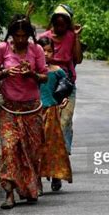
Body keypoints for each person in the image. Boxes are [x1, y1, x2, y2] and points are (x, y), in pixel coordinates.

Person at [0, 14, 48, 209]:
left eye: (24, 36)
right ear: (11, 35)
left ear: (29, 36)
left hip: (31, 109)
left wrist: (31, 74)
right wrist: (5, 73)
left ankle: (30, 189)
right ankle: (9, 193)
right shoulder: (2, 49)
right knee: (9, 148)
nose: (20, 40)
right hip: (9, 110)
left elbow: (44, 77)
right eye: (16, 36)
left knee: (31, 151)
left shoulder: (36, 50)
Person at [38, 4, 83, 190]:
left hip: (65, 86)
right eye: (57, 23)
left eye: (64, 24)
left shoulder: (71, 37)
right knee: (43, 131)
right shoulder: (43, 39)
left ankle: (58, 167)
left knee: (63, 123)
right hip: (45, 88)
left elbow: (78, 59)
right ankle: (47, 169)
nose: (60, 27)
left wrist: (77, 38)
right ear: (53, 23)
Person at [37, 37, 73, 192]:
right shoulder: (32, 71)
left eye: (49, 50)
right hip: (34, 111)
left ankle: (56, 176)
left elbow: (66, 87)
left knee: (53, 144)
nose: (46, 54)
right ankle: (36, 179)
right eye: (43, 50)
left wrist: (64, 99)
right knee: (36, 145)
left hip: (52, 110)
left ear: (54, 51)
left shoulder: (57, 71)